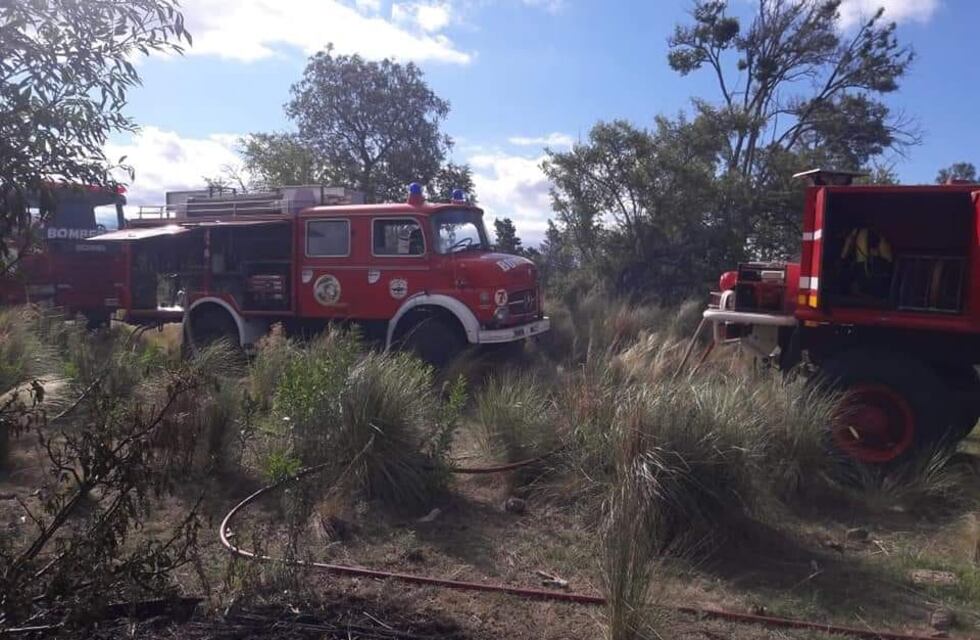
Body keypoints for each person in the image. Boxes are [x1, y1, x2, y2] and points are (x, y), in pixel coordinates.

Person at [840, 227, 894, 300]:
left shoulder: (856, 233)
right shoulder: (877, 233)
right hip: (875, 271)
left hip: (864, 268)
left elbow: (844, 254)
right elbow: (889, 259)